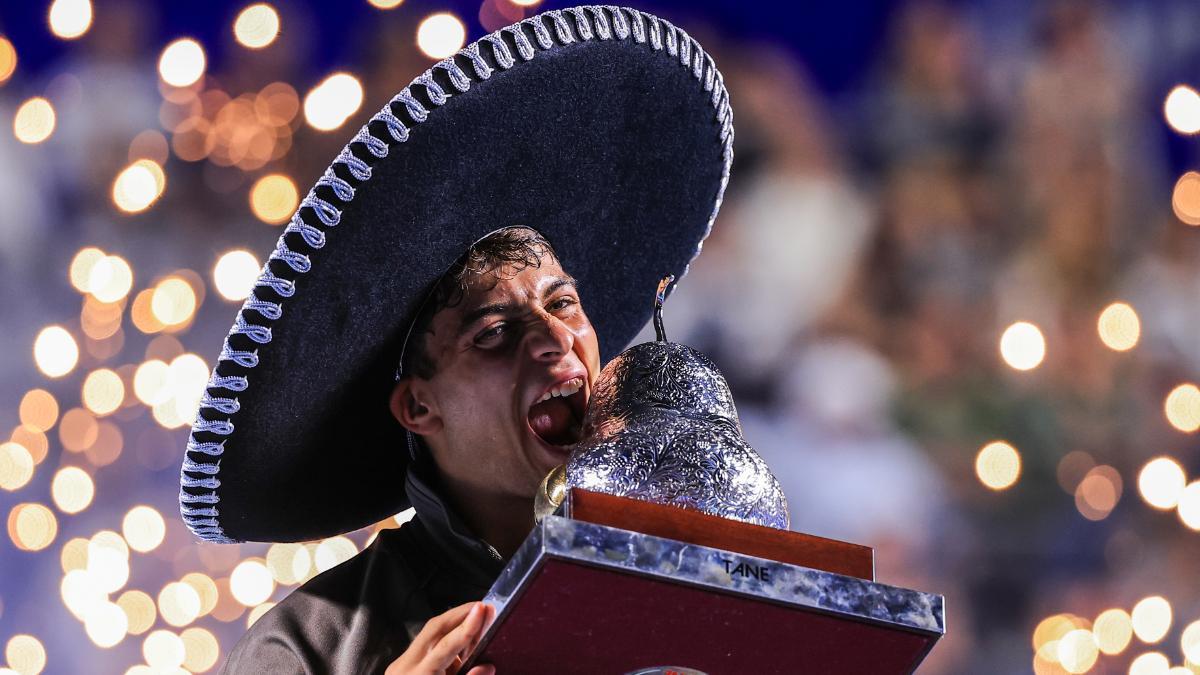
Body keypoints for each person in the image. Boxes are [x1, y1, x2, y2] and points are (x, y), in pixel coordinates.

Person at [178, 6, 735, 672]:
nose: (556, 337)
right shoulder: (310, 645)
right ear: (419, 407)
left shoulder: (703, 583)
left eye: (563, 301)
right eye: (496, 331)